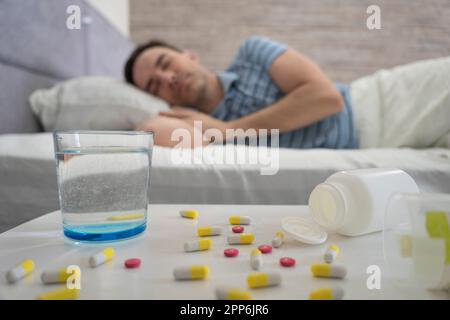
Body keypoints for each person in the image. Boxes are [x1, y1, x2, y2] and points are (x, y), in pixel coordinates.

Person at [124, 36, 450, 149]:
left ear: (189, 54)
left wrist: (229, 131)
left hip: (383, 102)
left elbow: (327, 98)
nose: (167, 77)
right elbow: (148, 130)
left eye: (166, 63)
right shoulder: (200, 131)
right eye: (155, 84)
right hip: (385, 142)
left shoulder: (252, 53)